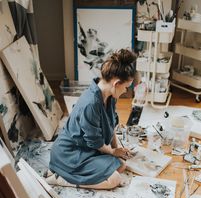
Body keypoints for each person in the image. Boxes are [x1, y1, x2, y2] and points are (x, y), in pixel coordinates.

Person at [48, 49, 137, 190]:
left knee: (121, 165)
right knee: (114, 179)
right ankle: (59, 179)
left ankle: (82, 173)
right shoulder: (90, 104)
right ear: (116, 84)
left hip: (87, 149)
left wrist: (117, 148)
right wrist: (113, 152)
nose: (126, 91)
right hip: (71, 154)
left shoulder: (110, 95)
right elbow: (95, 141)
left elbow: (111, 124)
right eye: (126, 87)